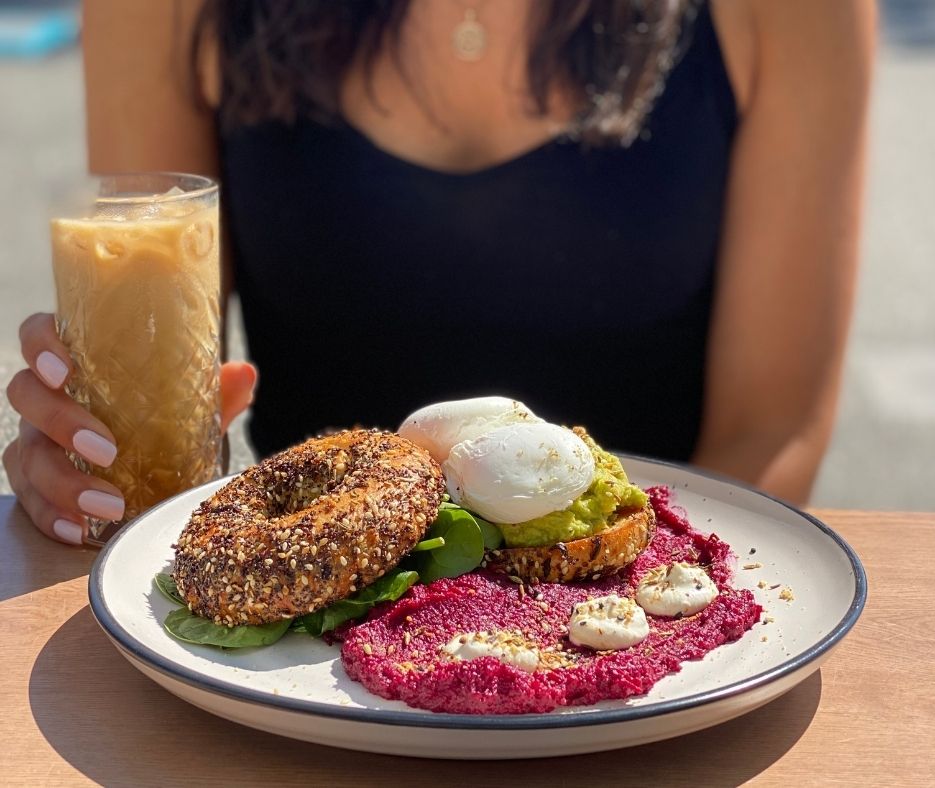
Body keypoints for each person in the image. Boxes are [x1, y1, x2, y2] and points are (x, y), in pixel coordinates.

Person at [3, 0, 876, 545]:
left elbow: (775, 430)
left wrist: (593, 623)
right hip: (291, 659)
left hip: (648, 646)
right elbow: (161, 370)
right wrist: (113, 472)